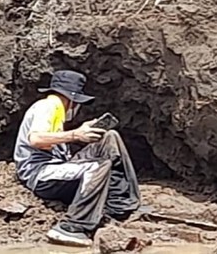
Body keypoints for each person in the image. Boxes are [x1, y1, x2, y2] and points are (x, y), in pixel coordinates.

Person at [13, 70, 141, 247]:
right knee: (97, 166)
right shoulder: (47, 106)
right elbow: (36, 139)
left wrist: (83, 131)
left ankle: (119, 205)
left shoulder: (56, 110)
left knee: (109, 136)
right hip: (41, 175)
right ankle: (72, 226)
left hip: (59, 168)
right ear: (73, 100)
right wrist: (76, 134)